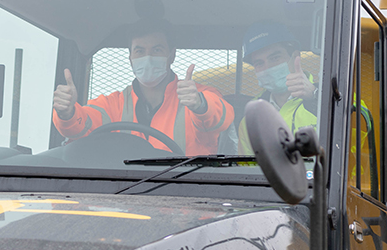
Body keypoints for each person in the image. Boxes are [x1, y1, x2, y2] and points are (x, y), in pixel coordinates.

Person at [52, 20, 233, 155]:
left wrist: (200, 105)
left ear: (172, 55)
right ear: (130, 58)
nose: (147, 57)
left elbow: (221, 116)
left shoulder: (197, 96)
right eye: (139, 51)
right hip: (125, 196)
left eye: (157, 50)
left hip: (192, 195)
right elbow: (82, 125)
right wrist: (67, 113)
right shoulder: (113, 105)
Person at [237, 21, 318, 154]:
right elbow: (247, 170)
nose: (268, 67)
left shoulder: (329, 97)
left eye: (275, 58)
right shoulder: (249, 121)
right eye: (259, 63)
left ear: (295, 56)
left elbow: (357, 132)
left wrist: (315, 98)